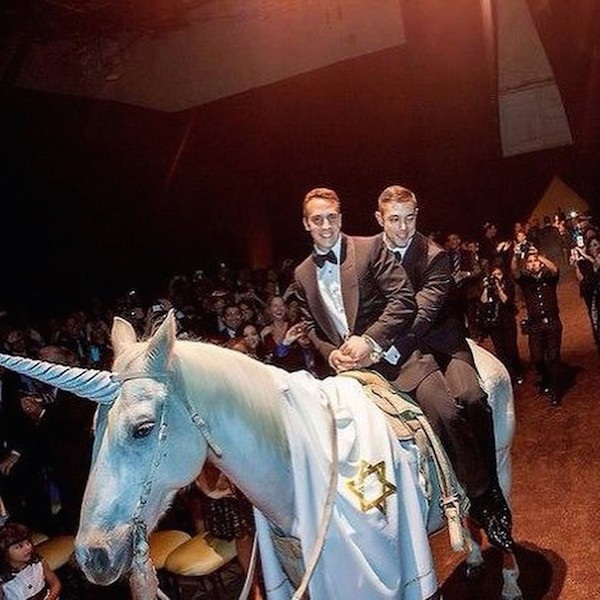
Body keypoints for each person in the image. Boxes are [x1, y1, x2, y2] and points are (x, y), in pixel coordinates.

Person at [373, 184, 514, 552]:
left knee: (470, 397)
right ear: (380, 219)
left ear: (417, 216)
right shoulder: (371, 255)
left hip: (443, 345)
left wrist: (385, 346)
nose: (403, 228)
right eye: (394, 220)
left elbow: (422, 313)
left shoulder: (433, 255)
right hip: (408, 354)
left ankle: (487, 492)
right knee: (429, 414)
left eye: (409, 219)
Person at [293, 187, 417, 380]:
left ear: (340, 219)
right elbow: (310, 325)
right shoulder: (302, 274)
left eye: (332, 217)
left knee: (447, 401)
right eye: (317, 219)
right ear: (306, 223)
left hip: (397, 361)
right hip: (345, 371)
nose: (326, 226)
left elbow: (403, 299)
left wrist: (370, 341)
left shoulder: (370, 247)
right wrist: (331, 354)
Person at [512, 247, 563, 405]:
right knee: (537, 358)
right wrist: (516, 255)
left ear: (541, 264)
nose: (533, 263)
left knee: (553, 357)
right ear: (526, 266)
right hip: (535, 325)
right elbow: (514, 271)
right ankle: (546, 378)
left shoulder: (549, 278)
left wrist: (539, 255)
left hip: (552, 322)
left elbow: (554, 269)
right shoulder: (525, 281)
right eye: (530, 262)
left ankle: (555, 392)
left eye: (535, 261)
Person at [478, 262, 523, 384]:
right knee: (500, 351)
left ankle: (518, 372)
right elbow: (483, 301)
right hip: (494, 323)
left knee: (511, 349)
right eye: (494, 275)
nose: (496, 277)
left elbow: (507, 301)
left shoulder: (508, 285)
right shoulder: (488, 287)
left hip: (507, 321)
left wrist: (499, 288)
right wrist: (486, 288)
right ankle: (509, 375)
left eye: (499, 274)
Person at [0, 522, 61, 600]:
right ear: (4, 552)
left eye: (28, 542)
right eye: (19, 546)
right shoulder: (3, 580)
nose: (28, 547)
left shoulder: (38, 563)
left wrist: (51, 597)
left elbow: (55, 583)